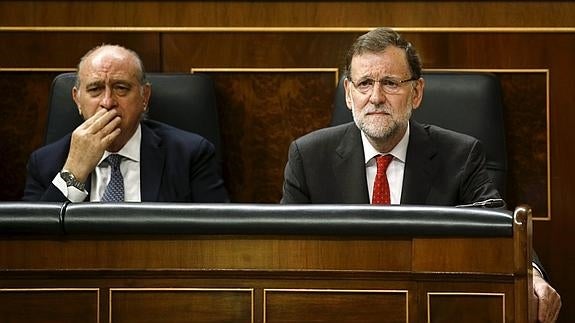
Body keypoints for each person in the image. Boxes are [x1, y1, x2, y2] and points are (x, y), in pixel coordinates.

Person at [281, 27, 561, 322]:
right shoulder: (308, 157)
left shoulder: (460, 156)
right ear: (349, 95)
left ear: (416, 93)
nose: (376, 97)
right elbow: (283, 251)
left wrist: (530, 275)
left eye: (390, 83)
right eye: (364, 83)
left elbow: (500, 230)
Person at [23, 44, 229, 203]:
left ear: (144, 97)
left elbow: (220, 235)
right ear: (77, 100)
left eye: (121, 88)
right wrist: (73, 173)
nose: (107, 102)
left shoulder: (190, 156)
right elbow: (32, 244)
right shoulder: (45, 163)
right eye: (95, 89)